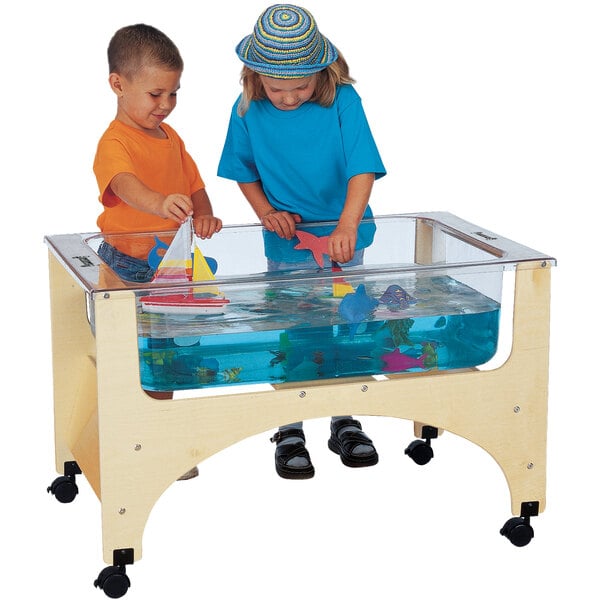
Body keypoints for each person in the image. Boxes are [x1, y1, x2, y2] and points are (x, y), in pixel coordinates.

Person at [218, 4, 386, 480]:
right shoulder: (248, 107)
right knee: (298, 324)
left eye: (300, 87)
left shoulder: (344, 101)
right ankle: (289, 425)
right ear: (255, 77)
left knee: (350, 321)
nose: (288, 98)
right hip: (287, 242)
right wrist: (266, 214)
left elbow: (362, 166)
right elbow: (243, 172)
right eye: (277, 88)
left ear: (321, 72)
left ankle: (345, 417)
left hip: (345, 237)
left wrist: (347, 227)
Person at [93, 23, 222, 479]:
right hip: (127, 263)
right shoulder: (115, 141)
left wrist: (202, 213)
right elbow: (124, 187)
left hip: (172, 264)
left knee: (165, 352)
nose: (165, 105)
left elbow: (195, 185)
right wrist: (160, 204)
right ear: (118, 84)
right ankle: (130, 442)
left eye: (173, 94)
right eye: (155, 94)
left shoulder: (173, 139)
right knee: (130, 353)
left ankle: (160, 442)